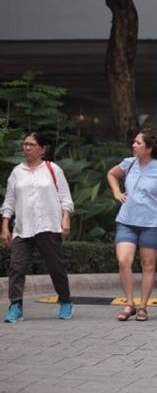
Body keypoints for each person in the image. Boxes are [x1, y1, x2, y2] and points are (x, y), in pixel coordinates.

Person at [1, 132, 75, 323]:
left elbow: (65, 199)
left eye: (32, 144)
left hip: (48, 226)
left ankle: (66, 301)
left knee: (55, 267)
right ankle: (15, 306)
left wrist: (65, 219)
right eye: (25, 144)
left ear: (43, 149)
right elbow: (9, 202)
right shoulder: (17, 172)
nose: (26, 148)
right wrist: (5, 226)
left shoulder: (53, 169)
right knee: (17, 268)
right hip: (23, 228)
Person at [107, 129, 157, 322]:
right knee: (123, 260)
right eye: (134, 142)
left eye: (138, 143)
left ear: (149, 148)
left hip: (152, 223)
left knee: (148, 265)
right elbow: (111, 174)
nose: (133, 145)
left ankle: (143, 306)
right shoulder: (129, 164)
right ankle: (129, 304)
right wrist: (116, 192)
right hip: (127, 220)